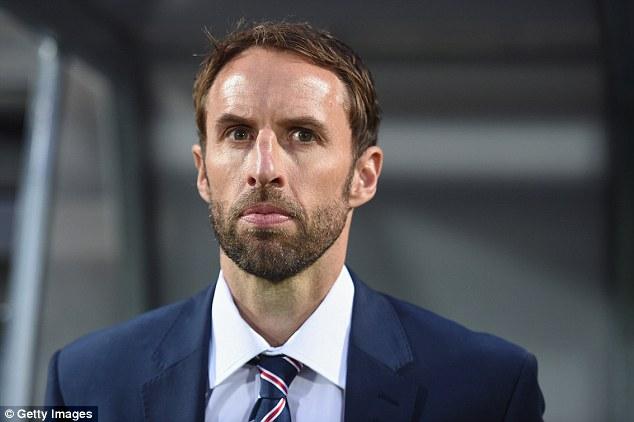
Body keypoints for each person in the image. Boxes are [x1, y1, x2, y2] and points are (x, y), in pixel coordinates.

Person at [45, 21, 545, 421]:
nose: (264, 169)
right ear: (202, 172)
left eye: (303, 134)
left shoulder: (487, 390)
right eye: (238, 133)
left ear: (364, 176)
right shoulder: (85, 384)